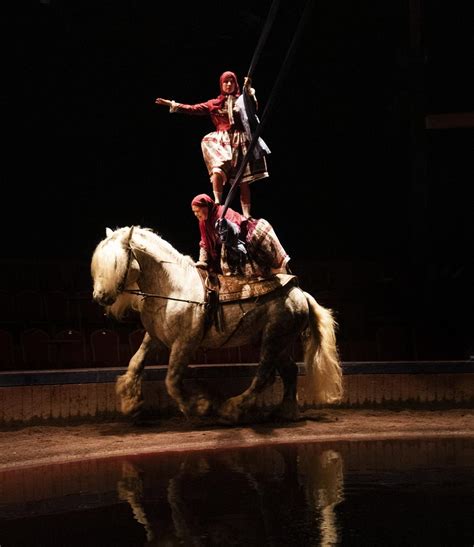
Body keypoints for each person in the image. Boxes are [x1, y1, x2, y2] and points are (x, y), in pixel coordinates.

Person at [156, 71, 270, 218]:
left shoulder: (242, 101)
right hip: (221, 141)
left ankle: (247, 215)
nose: (228, 84)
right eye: (225, 82)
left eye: (231, 82)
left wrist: (249, 91)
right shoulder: (213, 104)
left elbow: (253, 109)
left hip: (239, 141)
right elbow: (193, 109)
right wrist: (174, 104)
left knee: (243, 181)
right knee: (217, 170)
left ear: (235, 84)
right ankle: (217, 202)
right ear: (221, 84)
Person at [190, 193, 290, 279]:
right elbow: (204, 242)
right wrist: (202, 261)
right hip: (227, 249)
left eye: (197, 211)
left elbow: (236, 228)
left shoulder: (222, 212)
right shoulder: (203, 223)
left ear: (206, 206)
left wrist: (227, 229)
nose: (195, 214)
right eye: (194, 212)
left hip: (242, 241)